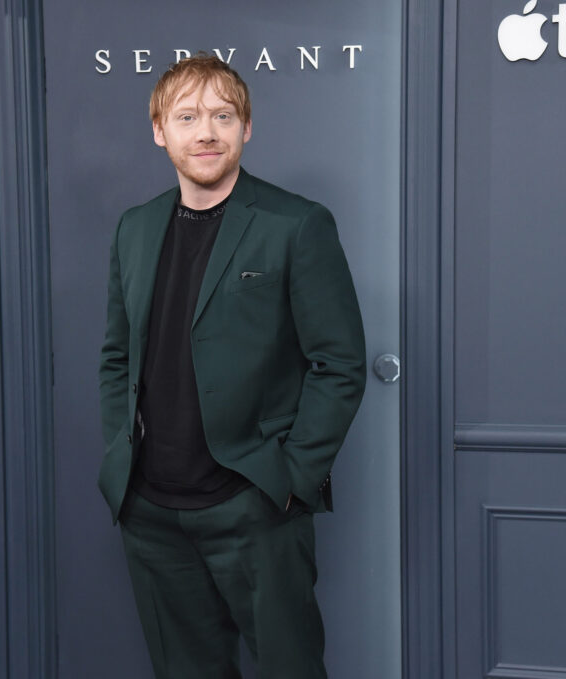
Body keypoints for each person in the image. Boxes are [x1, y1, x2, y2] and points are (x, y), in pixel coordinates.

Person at [97, 53, 366, 679]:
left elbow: (340, 362)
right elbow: (117, 356)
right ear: (160, 131)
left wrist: (292, 477)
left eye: (222, 115)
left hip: (255, 504)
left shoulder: (296, 225)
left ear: (247, 127)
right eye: (186, 116)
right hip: (152, 511)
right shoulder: (134, 229)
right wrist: (121, 456)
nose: (206, 132)